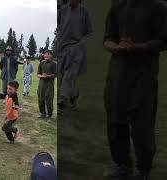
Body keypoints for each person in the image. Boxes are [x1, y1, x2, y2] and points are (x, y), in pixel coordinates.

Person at [103, 0, 167, 179]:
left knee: (142, 126)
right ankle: (123, 165)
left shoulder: (157, 8)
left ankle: (143, 169)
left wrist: (137, 47)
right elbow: (107, 38)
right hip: (117, 74)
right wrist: (117, 47)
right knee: (115, 122)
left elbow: (163, 41)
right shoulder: (118, 6)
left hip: (143, 75)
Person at [57, 0, 92, 114]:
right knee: (63, 76)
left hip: (76, 49)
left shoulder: (84, 12)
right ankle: (73, 96)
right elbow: (57, 27)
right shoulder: (62, 11)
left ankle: (61, 102)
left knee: (69, 75)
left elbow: (89, 32)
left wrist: (80, 44)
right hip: (63, 49)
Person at [37, 50, 57, 120]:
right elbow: (38, 73)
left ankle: (49, 115)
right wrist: (41, 76)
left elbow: (55, 74)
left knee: (49, 100)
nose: (46, 55)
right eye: (45, 54)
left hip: (49, 85)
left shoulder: (54, 64)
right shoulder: (41, 63)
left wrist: (47, 76)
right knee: (40, 99)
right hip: (41, 84)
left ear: (51, 55)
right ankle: (42, 113)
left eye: (48, 54)